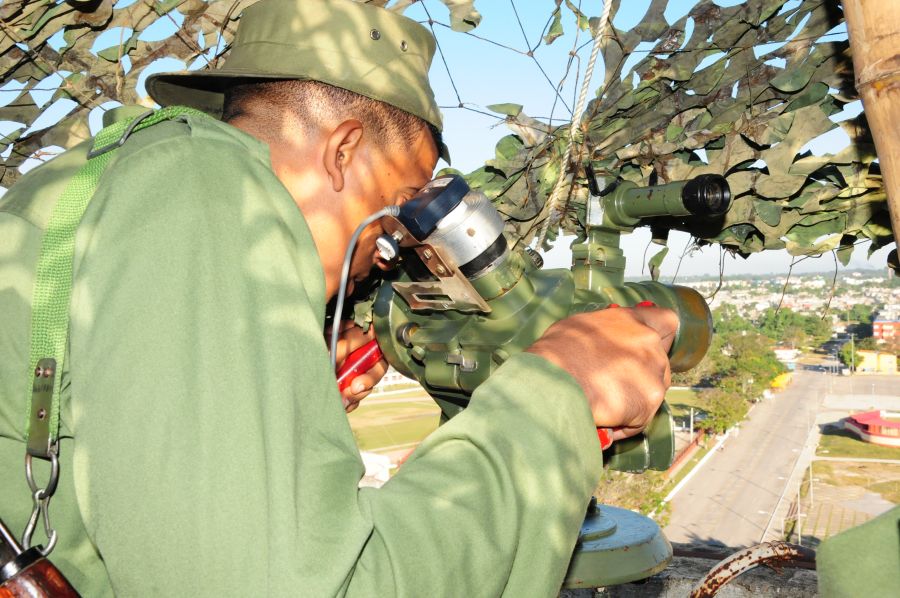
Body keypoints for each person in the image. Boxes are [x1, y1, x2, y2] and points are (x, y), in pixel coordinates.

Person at [0, 0, 676, 594]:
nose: (391, 248)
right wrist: (559, 394)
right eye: (399, 204)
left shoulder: (118, 175)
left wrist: (279, 384)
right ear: (344, 152)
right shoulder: (212, 191)